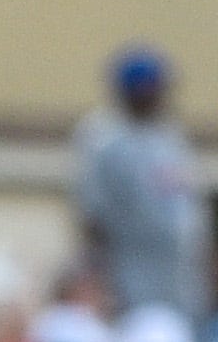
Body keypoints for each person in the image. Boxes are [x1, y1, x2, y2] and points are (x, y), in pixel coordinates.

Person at [70, 45, 209, 323]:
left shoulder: (169, 135)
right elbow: (92, 216)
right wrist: (101, 280)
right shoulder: (104, 138)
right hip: (130, 277)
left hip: (179, 278)